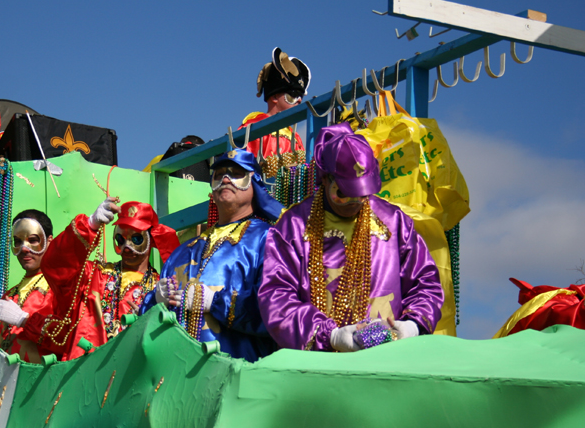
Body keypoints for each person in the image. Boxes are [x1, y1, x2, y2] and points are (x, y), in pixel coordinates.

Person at [259, 123, 444, 352]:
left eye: (363, 194)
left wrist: (413, 325)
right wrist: (330, 336)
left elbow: (425, 283)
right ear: (325, 179)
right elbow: (276, 296)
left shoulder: (394, 222)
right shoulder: (293, 227)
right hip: (317, 367)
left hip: (386, 361)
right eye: (344, 194)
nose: (356, 203)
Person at [142, 148, 283, 362]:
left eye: (236, 173)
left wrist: (215, 302)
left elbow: (278, 311)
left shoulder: (270, 240)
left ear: (254, 184)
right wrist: (154, 301)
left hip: (237, 373)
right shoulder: (182, 252)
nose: (226, 178)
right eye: (219, 174)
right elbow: (148, 326)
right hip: (177, 375)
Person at [39, 200, 179, 361]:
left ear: (150, 239)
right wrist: (90, 225)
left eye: (136, 239)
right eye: (121, 239)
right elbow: (55, 265)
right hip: (86, 372)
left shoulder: (160, 288)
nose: (127, 246)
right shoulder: (95, 276)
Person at [0, 210, 57, 363]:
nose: (24, 248)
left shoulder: (59, 288)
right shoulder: (9, 295)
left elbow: (64, 339)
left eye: (33, 240)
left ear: (49, 241)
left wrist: (23, 320)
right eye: (18, 241)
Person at [239, 47, 310, 178]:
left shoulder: (296, 137)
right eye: (293, 94)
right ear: (275, 97)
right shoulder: (254, 127)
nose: (299, 100)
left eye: (301, 96)